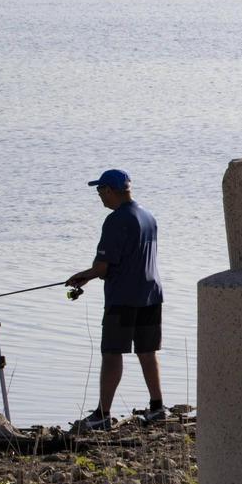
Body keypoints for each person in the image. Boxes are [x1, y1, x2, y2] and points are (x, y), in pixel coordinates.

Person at [66, 169, 166, 429]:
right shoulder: (148, 216)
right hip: (151, 294)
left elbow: (103, 268)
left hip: (123, 297)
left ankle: (102, 415)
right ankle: (157, 408)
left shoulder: (116, 220)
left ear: (110, 190)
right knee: (147, 351)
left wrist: (82, 276)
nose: (99, 196)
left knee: (111, 353)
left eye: (100, 190)